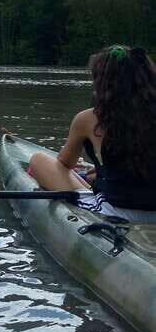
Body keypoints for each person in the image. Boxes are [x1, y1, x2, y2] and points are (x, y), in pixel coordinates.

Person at [28, 44, 156, 222]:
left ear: (102, 81)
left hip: (117, 212)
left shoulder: (89, 118)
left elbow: (65, 162)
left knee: (38, 160)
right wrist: (102, 172)